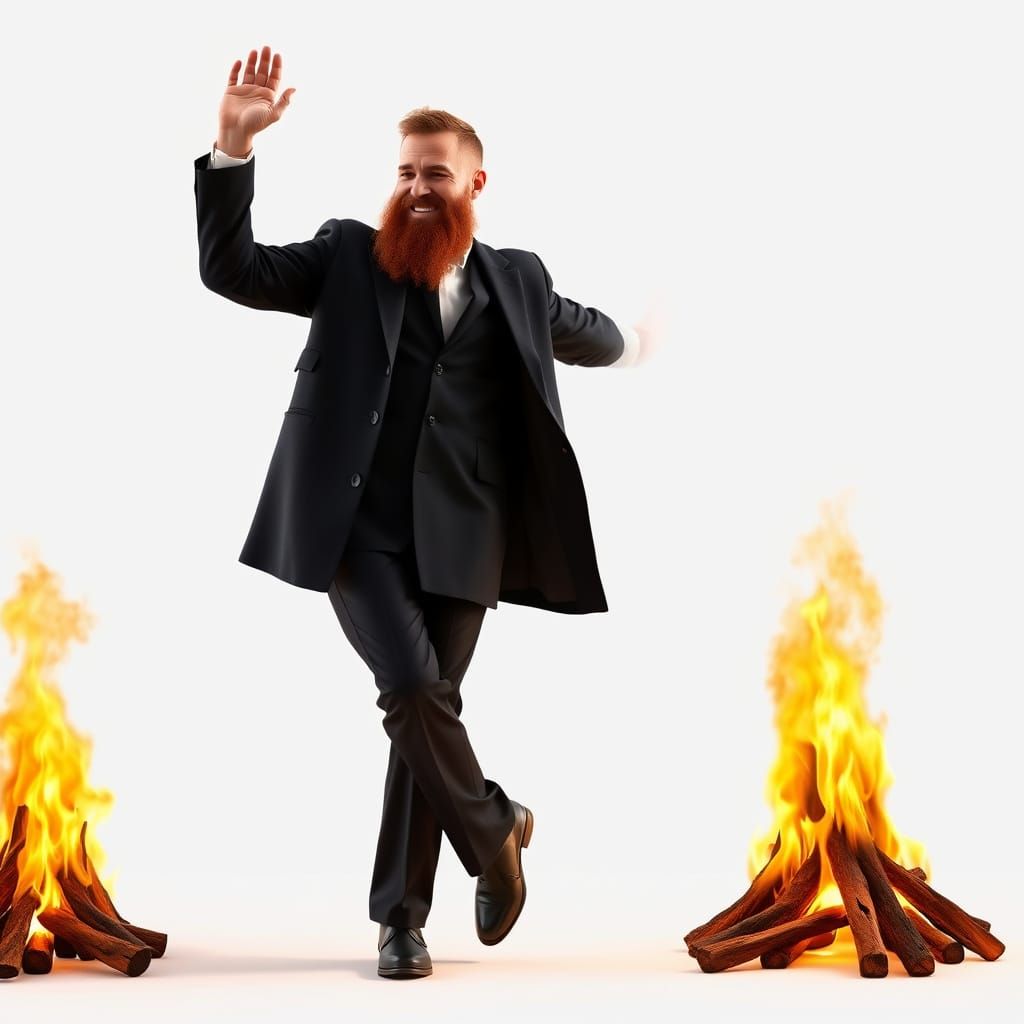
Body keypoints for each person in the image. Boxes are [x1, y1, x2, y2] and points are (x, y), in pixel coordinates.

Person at [193, 45, 661, 980]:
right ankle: (495, 827)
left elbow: (591, 332)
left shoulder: (516, 278)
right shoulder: (343, 258)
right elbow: (231, 268)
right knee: (410, 689)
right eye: (404, 171)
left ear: (475, 182)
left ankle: (399, 924)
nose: (415, 186)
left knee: (426, 716)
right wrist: (232, 151)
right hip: (356, 530)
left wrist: (649, 340)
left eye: (434, 173)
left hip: (469, 535)